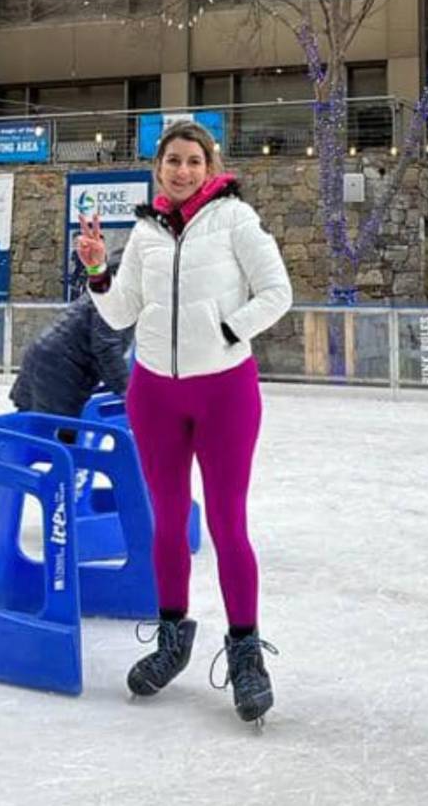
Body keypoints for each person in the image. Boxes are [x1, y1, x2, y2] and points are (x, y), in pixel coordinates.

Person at [75, 120, 292, 723]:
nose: (182, 170)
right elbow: (121, 312)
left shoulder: (235, 220)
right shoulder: (145, 233)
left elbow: (278, 293)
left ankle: (246, 653)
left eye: (193, 160)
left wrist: (224, 330)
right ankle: (174, 640)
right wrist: (97, 271)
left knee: (226, 523)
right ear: (159, 166)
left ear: (209, 163)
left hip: (225, 392)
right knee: (166, 522)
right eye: (173, 159)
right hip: (155, 395)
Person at [10, 255, 134, 420]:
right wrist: (127, 389)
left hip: (52, 360)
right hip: (59, 369)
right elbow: (106, 348)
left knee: (38, 426)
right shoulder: (112, 299)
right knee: (55, 429)